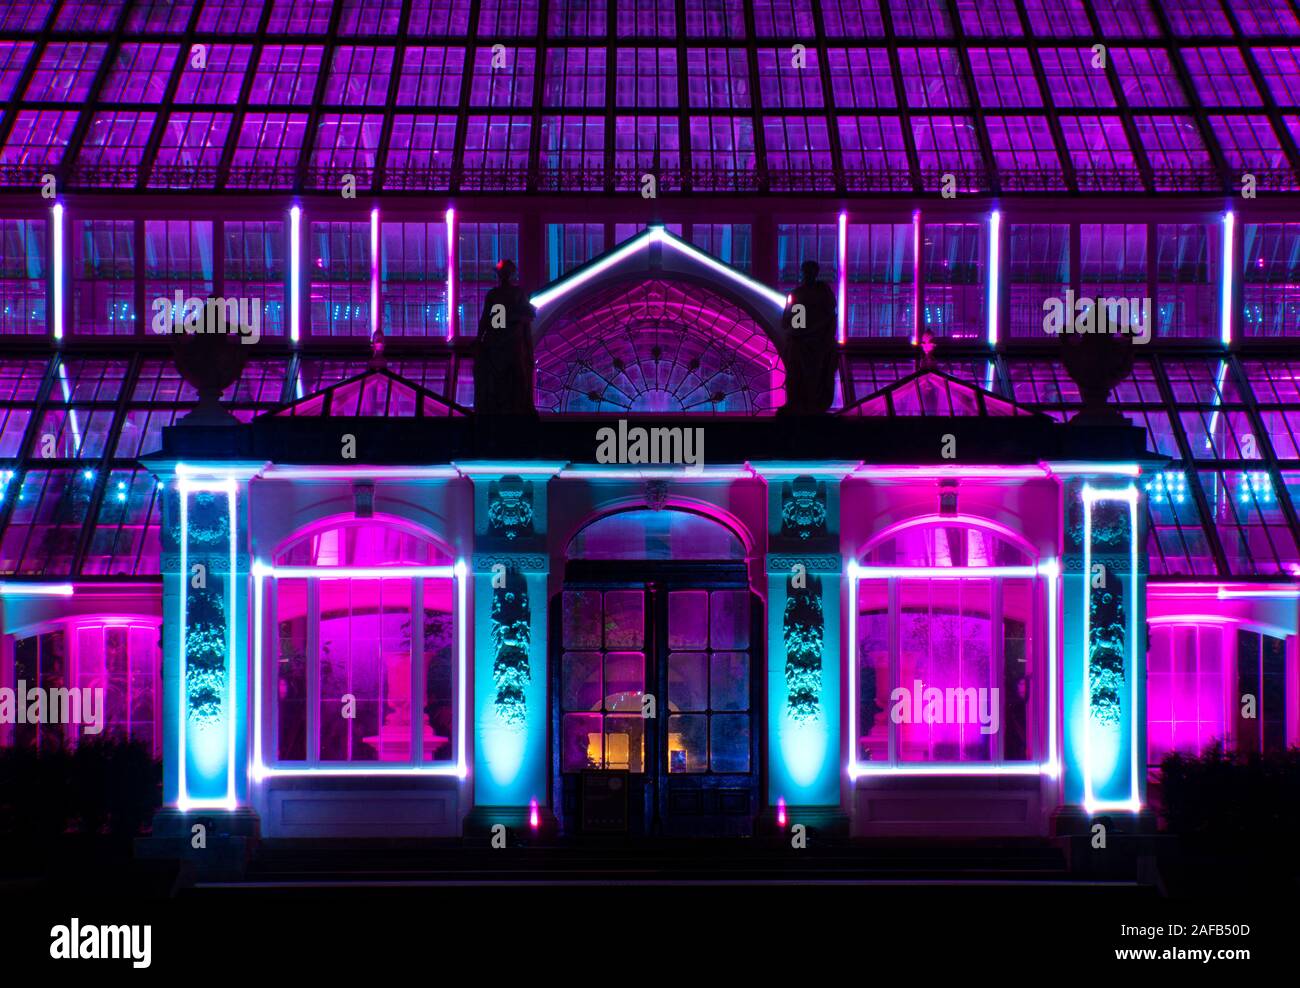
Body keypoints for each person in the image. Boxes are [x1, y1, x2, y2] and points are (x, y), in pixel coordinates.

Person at [474, 259, 537, 415]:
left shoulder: (496, 295)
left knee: (502, 379)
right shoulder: (514, 294)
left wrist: (479, 338)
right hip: (508, 343)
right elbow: (528, 316)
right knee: (512, 380)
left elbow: (487, 319)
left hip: (501, 343)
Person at [778, 260, 838, 415]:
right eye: (806, 271)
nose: (807, 274)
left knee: (803, 375)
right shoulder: (812, 293)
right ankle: (806, 404)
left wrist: (801, 332)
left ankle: (802, 404)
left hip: (808, 343)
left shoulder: (801, 293)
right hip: (810, 343)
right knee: (805, 375)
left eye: (809, 271)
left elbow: (791, 321)